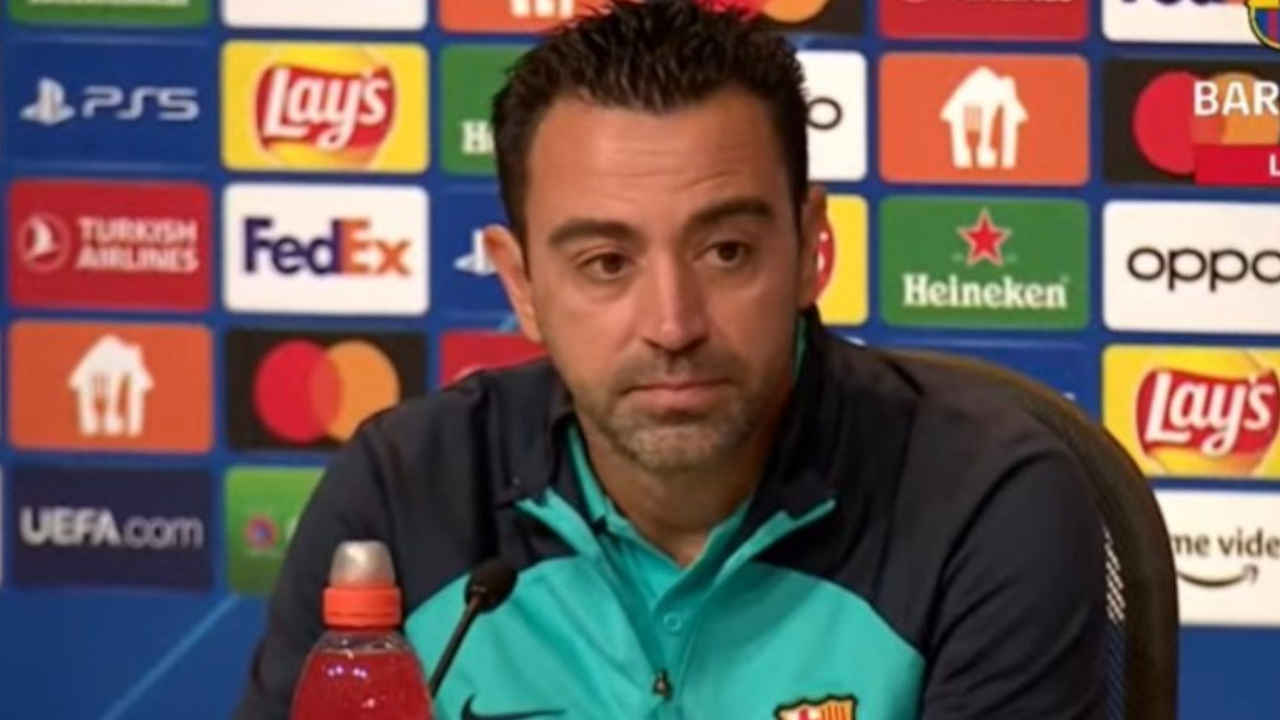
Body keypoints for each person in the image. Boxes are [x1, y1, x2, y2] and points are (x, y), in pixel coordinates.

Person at [234, 2, 1104, 718]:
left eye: (726, 252)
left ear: (811, 247)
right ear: (522, 283)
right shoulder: (403, 495)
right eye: (606, 263)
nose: (674, 324)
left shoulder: (980, 500)